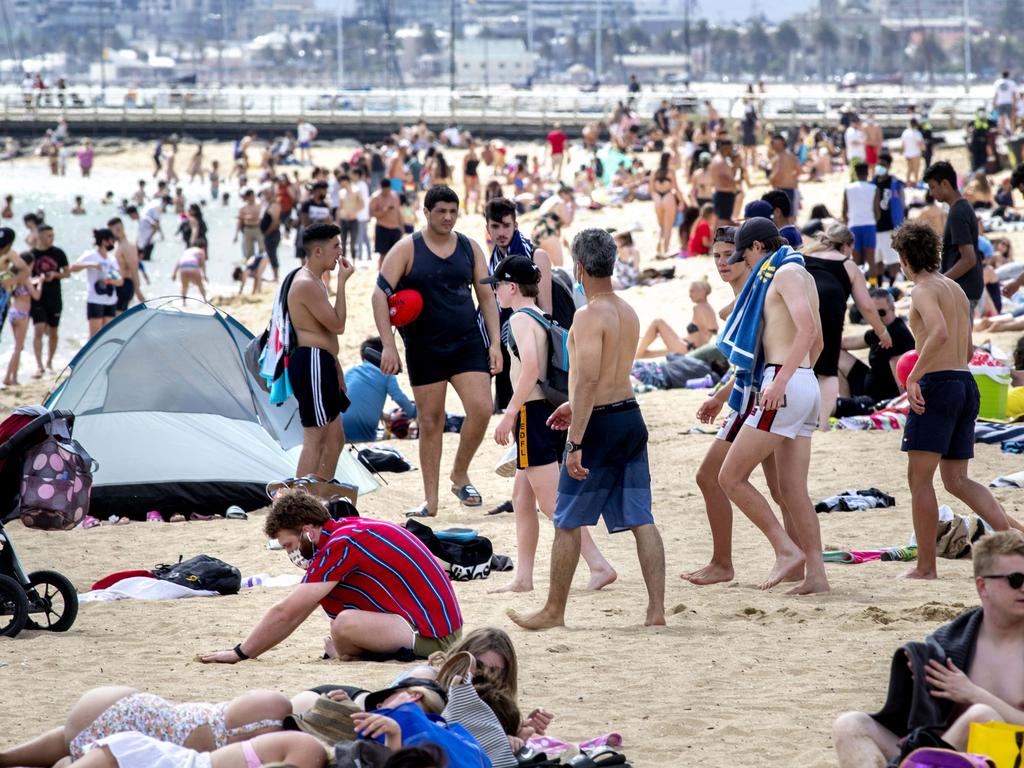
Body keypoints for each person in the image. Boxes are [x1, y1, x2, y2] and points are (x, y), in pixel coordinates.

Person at [508, 228, 666, 630]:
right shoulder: (628, 311)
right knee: (640, 517)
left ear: (578, 267)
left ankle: (553, 611)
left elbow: (590, 380)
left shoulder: (588, 314)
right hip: (630, 413)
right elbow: (608, 377)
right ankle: (656, 611)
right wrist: (570, 403)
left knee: (566, 520)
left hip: (601, 422)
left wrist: (575, 440)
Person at [890, 221, 1020, 580]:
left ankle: (926, 567)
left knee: (920, 480)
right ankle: (1019, 544)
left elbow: (939, 332)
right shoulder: (957, 290)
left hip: (939, 385)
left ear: (904, 257)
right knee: (958, 479)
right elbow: (966, 347)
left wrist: (915, 374)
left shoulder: (922, 290)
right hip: (966, 383)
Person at [200, 488, 463, 663]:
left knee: (344, 626)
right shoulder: (345, 531)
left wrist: (240, 653)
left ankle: (352, 654)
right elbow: (300, 609)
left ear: (307, 531)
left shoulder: (340, 545)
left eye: (289, 545)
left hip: (436, 638)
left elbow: (287, 612)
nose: (290, 554)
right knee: (342, 628)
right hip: (438, 626)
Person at [833, 531, 1024, 767]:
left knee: (981, 717)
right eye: (1016, 580)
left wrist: (972, 694)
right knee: (851, 725)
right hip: (949, 754)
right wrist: (921, 685)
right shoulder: (949, 642)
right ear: (983, 586)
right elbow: (918, 724)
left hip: (1011, 757)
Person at [486, 254, 616, 595]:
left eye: (498, 285)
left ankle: (599, 565)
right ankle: (523, 578)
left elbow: (529, 369)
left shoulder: (518, 321)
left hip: (531, 415)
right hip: (549, 411)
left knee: (551, 503)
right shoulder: (542, 316)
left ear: (512, 287)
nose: (496, 292)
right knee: (521, 497)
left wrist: (510, 413)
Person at [372, 186, 501, 517]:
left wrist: (496, 343)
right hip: (423, 348)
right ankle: (431, 501)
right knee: (431, 422)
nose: (447, 217)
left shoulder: (470, 248)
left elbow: (487, 298)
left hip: (467, 342)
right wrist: (389, 344)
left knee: (483, 408)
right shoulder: (407, 248)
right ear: (426, 212)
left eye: (453, 212)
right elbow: (379, 295)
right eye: (441, 211)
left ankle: (460, 472)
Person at [717, 217, 830, 594]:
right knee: (793, 489)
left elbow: (808, 331)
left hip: (785, 382)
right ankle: (816, 574)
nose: (746, 266)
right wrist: (800, 379)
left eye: (745, 257)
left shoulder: (785, 274)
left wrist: (781, 380)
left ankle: (785, 549)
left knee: (729, 477)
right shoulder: (801, 273)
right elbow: (818, 343)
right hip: (804, 380)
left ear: (759, 248)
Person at [683, 226, 791, 586]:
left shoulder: (753, 294)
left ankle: (725, 562)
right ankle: (797, 560)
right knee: (780, 490)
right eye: (715, 255)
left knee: (710, 476)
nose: (722, 262)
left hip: (757, 398)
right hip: (757, 395)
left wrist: (727, 394)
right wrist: (720, 393)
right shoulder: (740, 298)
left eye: (729, 253)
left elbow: (759, 358)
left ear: (746, 253)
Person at [0, 686, 292, 767]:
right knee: (72, 750)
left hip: (129, 705)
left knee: (69, 741)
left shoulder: (272, 706)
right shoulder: (273, 735)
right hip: (127, 731)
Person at [802, 223, 891, 429]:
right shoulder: (847, 264)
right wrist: (882, 331)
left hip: (801, 310)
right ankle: (822, 424)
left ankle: (798, 418)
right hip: (830, 316)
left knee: (801, 366)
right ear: (846, 245)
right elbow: (867, 306)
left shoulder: (803, 257)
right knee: (827, 371)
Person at [286, 223, 352, 480]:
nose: (340, 252)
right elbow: (338, 325)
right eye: (336, 246)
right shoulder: (306, 283)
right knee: (316, 438)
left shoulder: (314, 281)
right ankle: (298, 505)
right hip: (310, 361)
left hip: (322, 362)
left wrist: (337, 369)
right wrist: (343, 283)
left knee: (335, 440)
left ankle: (318, 497)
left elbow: (326, 334)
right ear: (317, 251)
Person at [484, 197, 553, 413]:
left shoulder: (536, 256)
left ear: (515, 225)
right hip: (508, 342)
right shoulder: (493, 261)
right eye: (495, 226)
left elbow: (546, 311)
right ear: (488, 228)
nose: (501, 232)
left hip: (532, 340)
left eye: (506, 225)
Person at [924, 161, 983, 319]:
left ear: (945, 184)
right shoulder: (961, 208)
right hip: (964, 287)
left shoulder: (958, 212)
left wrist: (940, 281)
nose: (931, 193)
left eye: (932, 187)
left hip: (964, 288)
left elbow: (968, 259)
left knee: (960, 342)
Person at [839, 287, 916, 405]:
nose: (878, 317)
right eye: (873, 313)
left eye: (881, 312)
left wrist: (902, 408)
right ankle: (848, 403)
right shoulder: (881, 331)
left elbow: (902, 382)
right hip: (868, 387)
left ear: (892, 309)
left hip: (879, 400)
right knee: (835, 354)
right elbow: (847, 342)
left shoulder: (896, 334)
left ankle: (847, 407)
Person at [342, 337, 417, 443]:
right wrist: (414, 413)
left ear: (364, 357)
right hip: (365, 428)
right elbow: (398, 396)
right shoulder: (386, 373)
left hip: (341, 425)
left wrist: (381, 415)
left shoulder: (351, 372)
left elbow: (354, 399)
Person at [635, 278, 717, 358]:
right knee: (646, 354)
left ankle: (636, 355)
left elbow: (703, 336)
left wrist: (694, 354)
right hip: (687, 346)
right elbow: (706, 333)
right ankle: (637, 355)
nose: (690, 295)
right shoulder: (709, 309)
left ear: (702, 292)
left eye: (692, 291)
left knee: (658, 322)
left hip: (688, 349)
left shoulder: (699, 308)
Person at [26, 224, 68, 377]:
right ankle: (39, 365)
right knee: (38, 329)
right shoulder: (31, 254)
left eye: (53, 235)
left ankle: (50, 361)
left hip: (55, 297)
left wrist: (55, 275)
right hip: (37, 298)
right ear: (40, 236)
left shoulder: (58, 253)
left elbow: (67, 273)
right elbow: (24, 274)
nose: (51, 238)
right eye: (48, 235)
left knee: (53, 332)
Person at [68, 228, 123, 338]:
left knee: (108, 335)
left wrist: (110, 280)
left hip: (110, 300)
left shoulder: (112, 258)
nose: (113, 243)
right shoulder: (91, 255)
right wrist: (93, 265)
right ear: (104, 241)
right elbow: (72, 267)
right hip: (95, 299)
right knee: (95, 336)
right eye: (112, 240)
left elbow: (120, 281)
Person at [1, 230, 37, 386]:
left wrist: (6, 279)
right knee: (18, 346)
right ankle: (10, 377)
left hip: (6, 303)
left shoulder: (10, 254)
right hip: (17, 310)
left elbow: (24, 271)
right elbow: (26, 273)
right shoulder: (10, 254)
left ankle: (9, 377)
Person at [873, 152, 905, 284]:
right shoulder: (872, 183)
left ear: (889, 166)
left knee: (893, 259)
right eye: (879, 164)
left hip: (890, 226)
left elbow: (901, 203)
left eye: (883, 165)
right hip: (874, 227)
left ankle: (892, 284)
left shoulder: (895, 183)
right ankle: (877, 284)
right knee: (876, 259)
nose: (880, 167)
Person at [843, 162, 877, 271]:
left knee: (855, 260)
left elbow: (844, 210)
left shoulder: (848, 188)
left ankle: (855, 285)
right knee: (871, 259)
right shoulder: (874, 188)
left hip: (854, 224)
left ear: (856, 174)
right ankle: (873, 284)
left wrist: (847, 223)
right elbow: (877, 211)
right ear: (867, 173)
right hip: (870, 225)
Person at [108, 217, 144, 313]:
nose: (117, 231)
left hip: (125, 285)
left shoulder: (128, 246)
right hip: (117, 285)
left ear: (123, 227)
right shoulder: (117, 246)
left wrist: (138, 290)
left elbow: (134, 269)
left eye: (119, 228)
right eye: (114, 230)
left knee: (118, 318)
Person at [649, 152, 682, 258]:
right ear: (668, 159)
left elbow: (651, 189)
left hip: (658, 199)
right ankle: (666, 249)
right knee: (668, 225)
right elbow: (676, 188)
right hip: (668, 197)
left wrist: (656, 198)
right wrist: (682, 201)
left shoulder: (655, 171)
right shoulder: (671, 171)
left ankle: (658, 247)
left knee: (661, 225)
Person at [370, 179, 404, 267]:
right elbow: (372, 213)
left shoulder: (394, 195)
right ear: (381, 188)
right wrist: (384, 211)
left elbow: (398, 211)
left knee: (396, 254)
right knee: (383, 254)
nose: (386, 192)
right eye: (384, 190)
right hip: (382, 228)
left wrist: (401, 225)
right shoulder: (376, 197)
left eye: (388, 190)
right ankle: (381, 275)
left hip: (395, 228)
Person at [768, 133, 800, 217]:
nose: (776, 147)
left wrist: (771, 179)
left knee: (784, 216)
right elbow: (799, 170)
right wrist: (792, 177)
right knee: (787, 216)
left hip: (786, 189)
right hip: (787, 188)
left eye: (777, 144)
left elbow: (777, 173)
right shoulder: (790, 156)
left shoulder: (778, 158)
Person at [233, 188, 265, 270]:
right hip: (247, 229)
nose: (252, 198)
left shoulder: (258, 205)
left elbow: (258, 217)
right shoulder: (243, 207)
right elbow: (240, 221)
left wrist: (247, 217)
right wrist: (236, 234)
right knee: (249, 251)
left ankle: (261, 265)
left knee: (262, 248)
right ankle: (251, 268)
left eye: (253, 196)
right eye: (250, 196)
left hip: (257, 228)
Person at [710, 139, 738, 226]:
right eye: (730, 148)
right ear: (725, 148)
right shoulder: (721, 162)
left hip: (721, 195)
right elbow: (725, 182)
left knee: (718, 223)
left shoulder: (718, 159)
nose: (731, 151)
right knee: (723, 223)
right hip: (724, 196)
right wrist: (736, 182)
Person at [259, 186, 282, 283]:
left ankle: (276, 276)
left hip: (272, 234)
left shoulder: (274, 205)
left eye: (266, 193)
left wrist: (267, 232)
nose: (265, 196)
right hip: (269, 234)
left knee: (272, 254)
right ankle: (274, 275)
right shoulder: (269, 205)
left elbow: (275, 222)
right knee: (270, 254)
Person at [135, 195, 165, 261]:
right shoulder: (156, 205)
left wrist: (150, 238)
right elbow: (157, 223)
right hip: (145, 243)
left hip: (147, 243)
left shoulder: (153, 205)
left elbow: (156, 224)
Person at [901, 118, 925, 185]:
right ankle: (916, 182)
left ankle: (907, 182)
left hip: (907, 153)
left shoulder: (905, 132)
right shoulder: (917, 133)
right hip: (915, 153)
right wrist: (924, 149)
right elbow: (920, 144)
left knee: (909, 169)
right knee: (916, 170)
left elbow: (903, 144)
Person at [993, 69, 1017, 135]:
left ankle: (1003, 133)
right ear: (1008, 75)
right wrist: (1015, 104)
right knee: (1011, 118)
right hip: (1009, 102)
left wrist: (994, 103)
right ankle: (1012, 132)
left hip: (1000, 102)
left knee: (1001, 118)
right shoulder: (1011, 83)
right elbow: (1014, 95)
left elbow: (996, 94)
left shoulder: (997, 83)